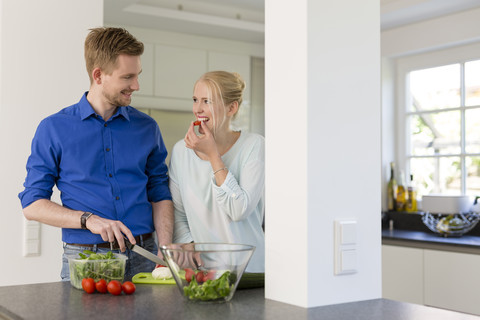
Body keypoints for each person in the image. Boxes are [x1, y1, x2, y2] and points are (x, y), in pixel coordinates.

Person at [18, 27, 173, 281]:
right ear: (98, 75)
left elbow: (159, 192)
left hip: (147, 257)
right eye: (128, 77)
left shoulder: (147, 127)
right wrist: (88, 220)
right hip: (87, 261)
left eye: (138, 75)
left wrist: (165, 250)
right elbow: (32, 204)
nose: (136, 85)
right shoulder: (53, 128)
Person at [169, 71, 265, 272]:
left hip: (250, 271)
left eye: (207, 101)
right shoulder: (181, 151)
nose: (198, 109)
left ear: (232, 108)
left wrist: (213, 156)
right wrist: (189, 243)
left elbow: (239, 209)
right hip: (206, 271)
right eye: (196, 100)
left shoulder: (254, 145)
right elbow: (179, 212)